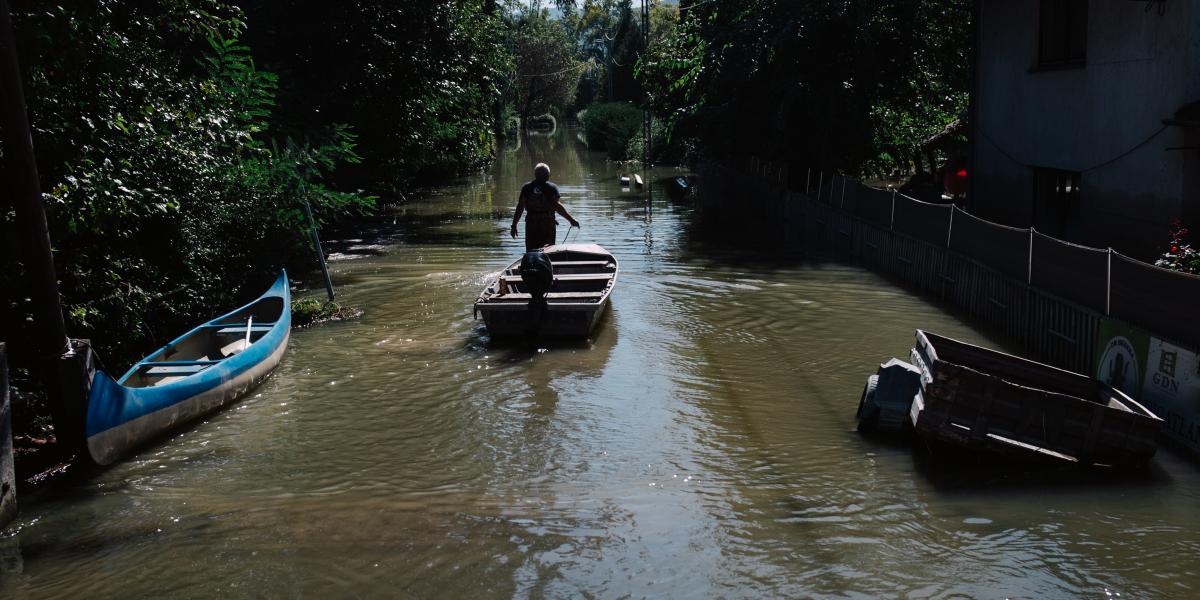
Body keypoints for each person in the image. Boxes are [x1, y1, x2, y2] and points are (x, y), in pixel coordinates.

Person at [510, 163, 580, 251]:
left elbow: (520, 207)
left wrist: (514, 225)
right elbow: (557, 207)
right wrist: (571, 220)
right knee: (548, 250)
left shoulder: (527, 187)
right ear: (547, 175)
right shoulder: (551, 187)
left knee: (531, 250)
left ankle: (532, 263)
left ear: (535, 174)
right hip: (547, 222)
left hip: (531, 222)